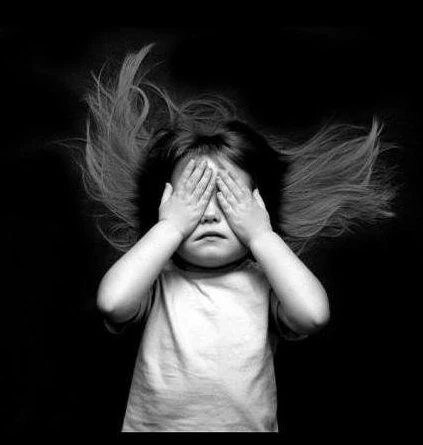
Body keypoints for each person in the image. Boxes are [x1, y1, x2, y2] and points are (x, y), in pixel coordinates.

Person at [77, 43, 398, 432]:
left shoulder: (266, 282)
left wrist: (261, 234)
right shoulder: (156, 280)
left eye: (229, 200)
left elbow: (314, 315)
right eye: (194, 200)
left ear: (260, 209)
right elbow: (112, 302)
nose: (210, 213)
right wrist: (171, 227)